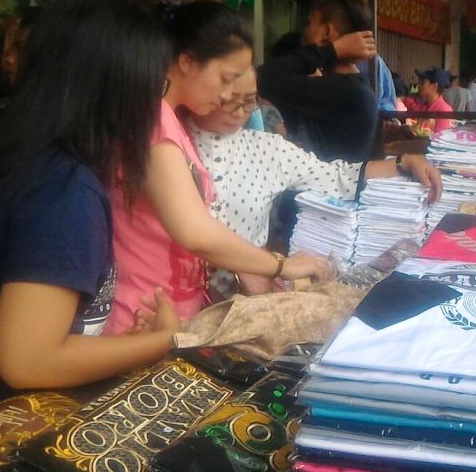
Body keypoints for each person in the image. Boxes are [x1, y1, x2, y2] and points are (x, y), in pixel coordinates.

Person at [0, 0, 182, 438]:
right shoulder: (63, 191)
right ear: (123, 89)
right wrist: (163, 342)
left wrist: (123, 348)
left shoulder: (15, 155)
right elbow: (27, 360)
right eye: (157, 86)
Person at [105, 2, 332, 335]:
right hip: (141, 320)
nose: (228, 95)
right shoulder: (154, 123)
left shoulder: (169, 122)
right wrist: (280, 265)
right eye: (226, 79)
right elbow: (195, 232)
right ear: (186, 62)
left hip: (171, 316)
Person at [188, 66, 442, 298]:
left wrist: (402, 163)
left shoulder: (265, 149)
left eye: (249, 101)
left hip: (242, 299)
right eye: (231, 100)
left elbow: (336, 176)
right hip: (169, 302)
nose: (241, 111)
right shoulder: (170, 144)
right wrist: (266, 264)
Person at [258, 0, 378, 163]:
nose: (304, 31)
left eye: (309, 23)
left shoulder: (343, 89)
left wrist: (332, 50)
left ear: (327, 31)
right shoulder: (351, 86)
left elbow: (264, 78)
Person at [414, 67, 454, 135]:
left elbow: (441, 141)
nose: (418, 84)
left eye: (422, 82)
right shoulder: (421, 106)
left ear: (434, 86)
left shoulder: (444, 111)